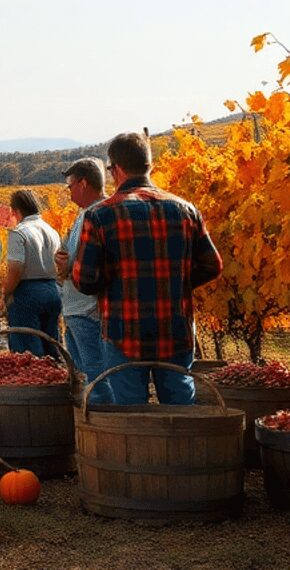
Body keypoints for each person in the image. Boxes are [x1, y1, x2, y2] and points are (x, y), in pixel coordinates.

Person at [72, 132, 222, 405]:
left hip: (123, 330)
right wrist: (178, 285)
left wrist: (114, 283)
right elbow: (213, 265)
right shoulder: (186, 210)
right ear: (149, 166)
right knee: (180, 412)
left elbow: (84, 279)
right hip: (175, 327)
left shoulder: (101, 215)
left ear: (116, 169)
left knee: (132, 416)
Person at [54, 158, 121, 404]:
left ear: (83, 183)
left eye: (69, 186)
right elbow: (70, 253)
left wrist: (69, 267)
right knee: (88, 373)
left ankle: (103, 427)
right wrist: (62, 259)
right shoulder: (83, 214)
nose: (68, 192)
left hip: (88, 309)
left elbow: (97, 263)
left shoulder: (99, 213)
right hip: (76, 308)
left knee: (97, 376)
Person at [0, 189, 63, 356]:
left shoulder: (19, 232)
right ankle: (56, 380)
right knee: (51, 345)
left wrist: (6, 294)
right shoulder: (51, 231)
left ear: (15, 210)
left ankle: (35, 383)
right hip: (52, 290)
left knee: (28, 352)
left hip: (27, 293)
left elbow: (16, 268)